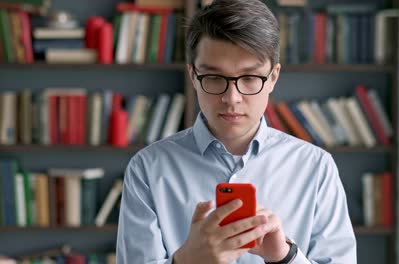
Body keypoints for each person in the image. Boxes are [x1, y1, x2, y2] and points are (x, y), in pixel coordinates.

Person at [116, 0, 356, 263]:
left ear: (273, 78)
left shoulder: (316, 167)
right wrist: (186, 261)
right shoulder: (148, 168)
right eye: (214, 78)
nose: (232, 98)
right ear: (193, 76)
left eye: (250, 78)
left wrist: (284, 257)